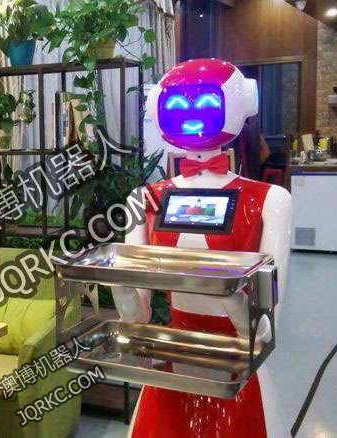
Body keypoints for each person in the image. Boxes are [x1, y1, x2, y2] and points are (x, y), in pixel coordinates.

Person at [114, 58, 292, 438]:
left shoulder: (270, 200)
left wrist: (233, 298)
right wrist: (123, 289)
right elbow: (137, 314)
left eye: (208, 104)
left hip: (236, 367)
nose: (192, 115)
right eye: (178, 105)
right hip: (174, 357)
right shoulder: (143, 199)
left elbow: (265, 326)